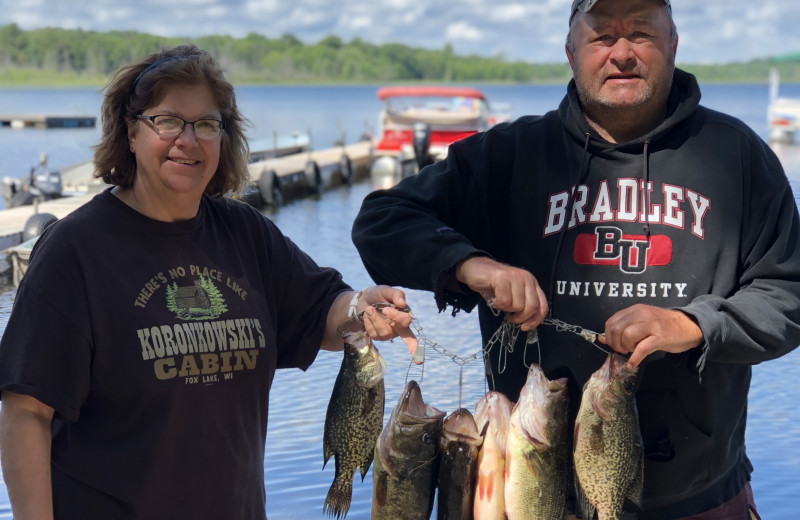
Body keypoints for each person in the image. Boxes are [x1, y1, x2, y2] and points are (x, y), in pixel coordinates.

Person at [352, 0, 800, 518]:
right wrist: (472, 266)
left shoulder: (737, 156)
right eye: (603, 36)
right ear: (571, 52)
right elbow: (381, 222)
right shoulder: (509, 155)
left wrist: (693, 325)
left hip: (698, 496)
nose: (622, 53)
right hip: (532, 489)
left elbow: (787, 295)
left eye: (641, 33)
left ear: (673, 44)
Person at [0, 44, 416, 520]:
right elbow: (26, 412)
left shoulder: (245, 233)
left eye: (206, 124)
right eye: (168, 120)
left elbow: (321, 308)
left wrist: (362, 306)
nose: (188, 139)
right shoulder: (76, 251)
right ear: (131, 131)